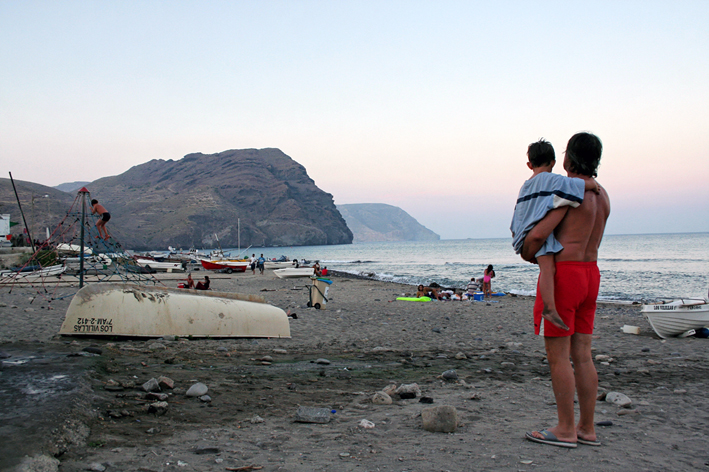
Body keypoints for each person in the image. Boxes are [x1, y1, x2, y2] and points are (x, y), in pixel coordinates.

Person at [522, 132, 610, 448]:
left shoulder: (568, 194)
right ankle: (587, 427)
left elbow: (538, 236)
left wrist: (528, 250)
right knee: (583, 355)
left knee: (558, 357)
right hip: (591, 275)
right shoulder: (603, 196)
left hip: (566, 276)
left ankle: (564, 428)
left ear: (568, 159)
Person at [511, 138, 599, 330]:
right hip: (588, 272)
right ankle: (550, 308)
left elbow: (521, 215)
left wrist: (518, 238)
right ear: (553, 162)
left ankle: (549, 308)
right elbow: (573, 186)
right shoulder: (556, 181)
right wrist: (592, 185)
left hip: (523, 234)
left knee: (546, 269)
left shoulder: (526, 186)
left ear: (529, 164)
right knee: (548, 270)